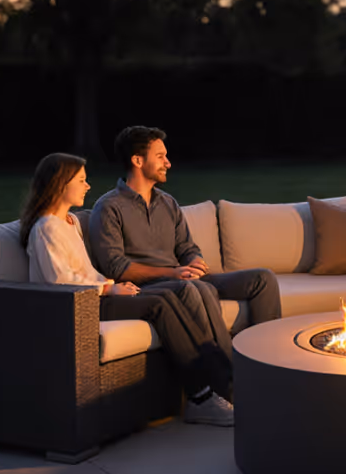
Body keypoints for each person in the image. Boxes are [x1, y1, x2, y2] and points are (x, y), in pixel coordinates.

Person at [21, 153, 235, 426]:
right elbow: (61, 281)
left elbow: (84, 272)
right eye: (82, 181)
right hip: (76, 308)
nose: (88, 186)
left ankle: (215, 384)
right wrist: (110, 289)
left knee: (169, 295)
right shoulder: (45, 228)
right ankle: (203, 395)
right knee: (159, 304)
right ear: (61, 184)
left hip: (94, 297)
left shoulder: (70, 223)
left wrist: (112, 286)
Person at [89, 126, 281, 363]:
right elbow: (116, 268)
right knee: (197, 289)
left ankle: (268, 360)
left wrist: (195, 261)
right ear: (138, 160)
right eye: (160, 157)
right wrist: (174, 273)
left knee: (263, 279)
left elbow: (186, 247)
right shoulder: (108, 207)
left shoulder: (168, 203)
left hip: (182, 277)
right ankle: (230, 371)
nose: (168, 163)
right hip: (152, 287)